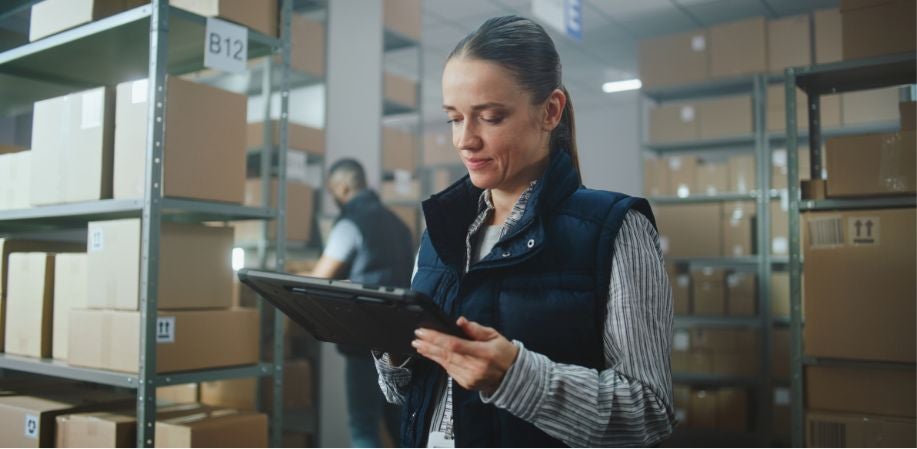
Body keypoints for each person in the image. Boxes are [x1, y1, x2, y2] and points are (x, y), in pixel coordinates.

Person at [374, 16, 675, 448]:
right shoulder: (439, 234)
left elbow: (650, 413)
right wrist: (395, 352)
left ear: (550, 111)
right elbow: (403, 393)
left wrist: (516, 377)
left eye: (490, 117)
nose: (465, 140)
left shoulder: (615, 229)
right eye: (454, 119)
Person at [309, 158, 414, 447]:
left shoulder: (351, 223)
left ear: (342, 187)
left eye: (333, 190)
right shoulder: (399, 224)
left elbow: (321, 277)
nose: (333, 196)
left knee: (363, 424)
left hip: (366, 341)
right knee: (401, 423)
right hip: (402, 340)